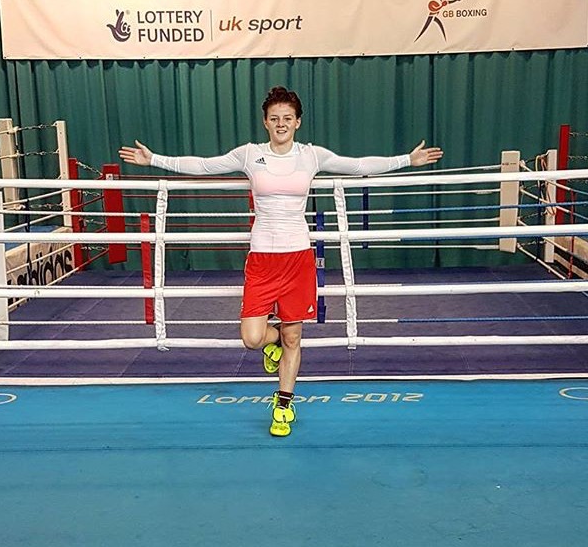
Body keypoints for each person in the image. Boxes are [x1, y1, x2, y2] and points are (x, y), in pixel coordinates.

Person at [119, 86, 443, 437]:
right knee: (252, 337)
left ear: (297, 122)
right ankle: (270, 345)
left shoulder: (311, 155)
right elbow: (204, 165)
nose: (281, 123)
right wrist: (154, 159)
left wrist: (406, 160)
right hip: (262, 259)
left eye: (287, 118)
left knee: (293, 336)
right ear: (265, 122)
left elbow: (358, 165)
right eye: (274, 118)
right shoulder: (250, 154)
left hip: (297, 257)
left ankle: (284, 404)